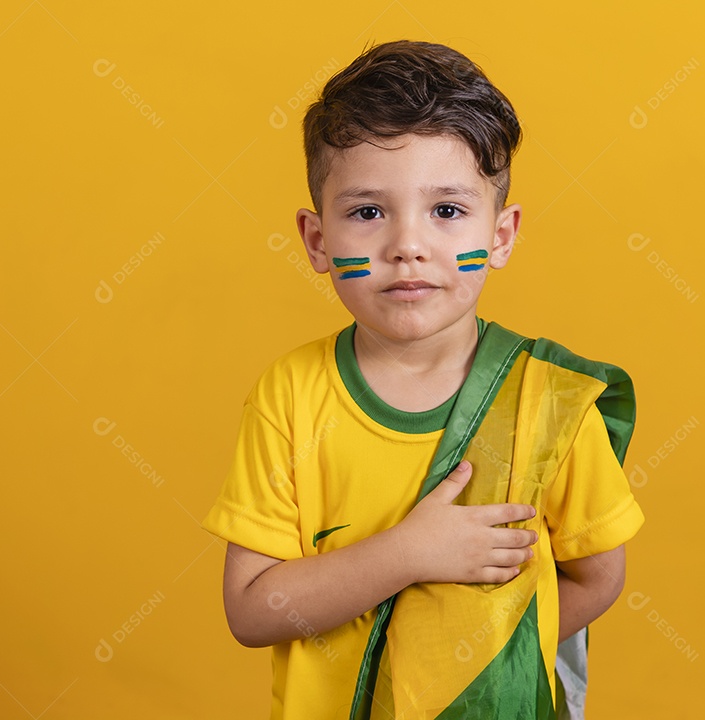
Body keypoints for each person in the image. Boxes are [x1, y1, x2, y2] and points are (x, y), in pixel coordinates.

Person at [201, 39, 644, 720]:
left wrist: (458, 665)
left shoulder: (547, 401)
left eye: (447, 211)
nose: (407, 245)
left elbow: (598, 578)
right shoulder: (288, 395)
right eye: (368, 212)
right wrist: (407, 553)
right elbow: (251, 609)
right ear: (317, 241)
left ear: (501, 235)